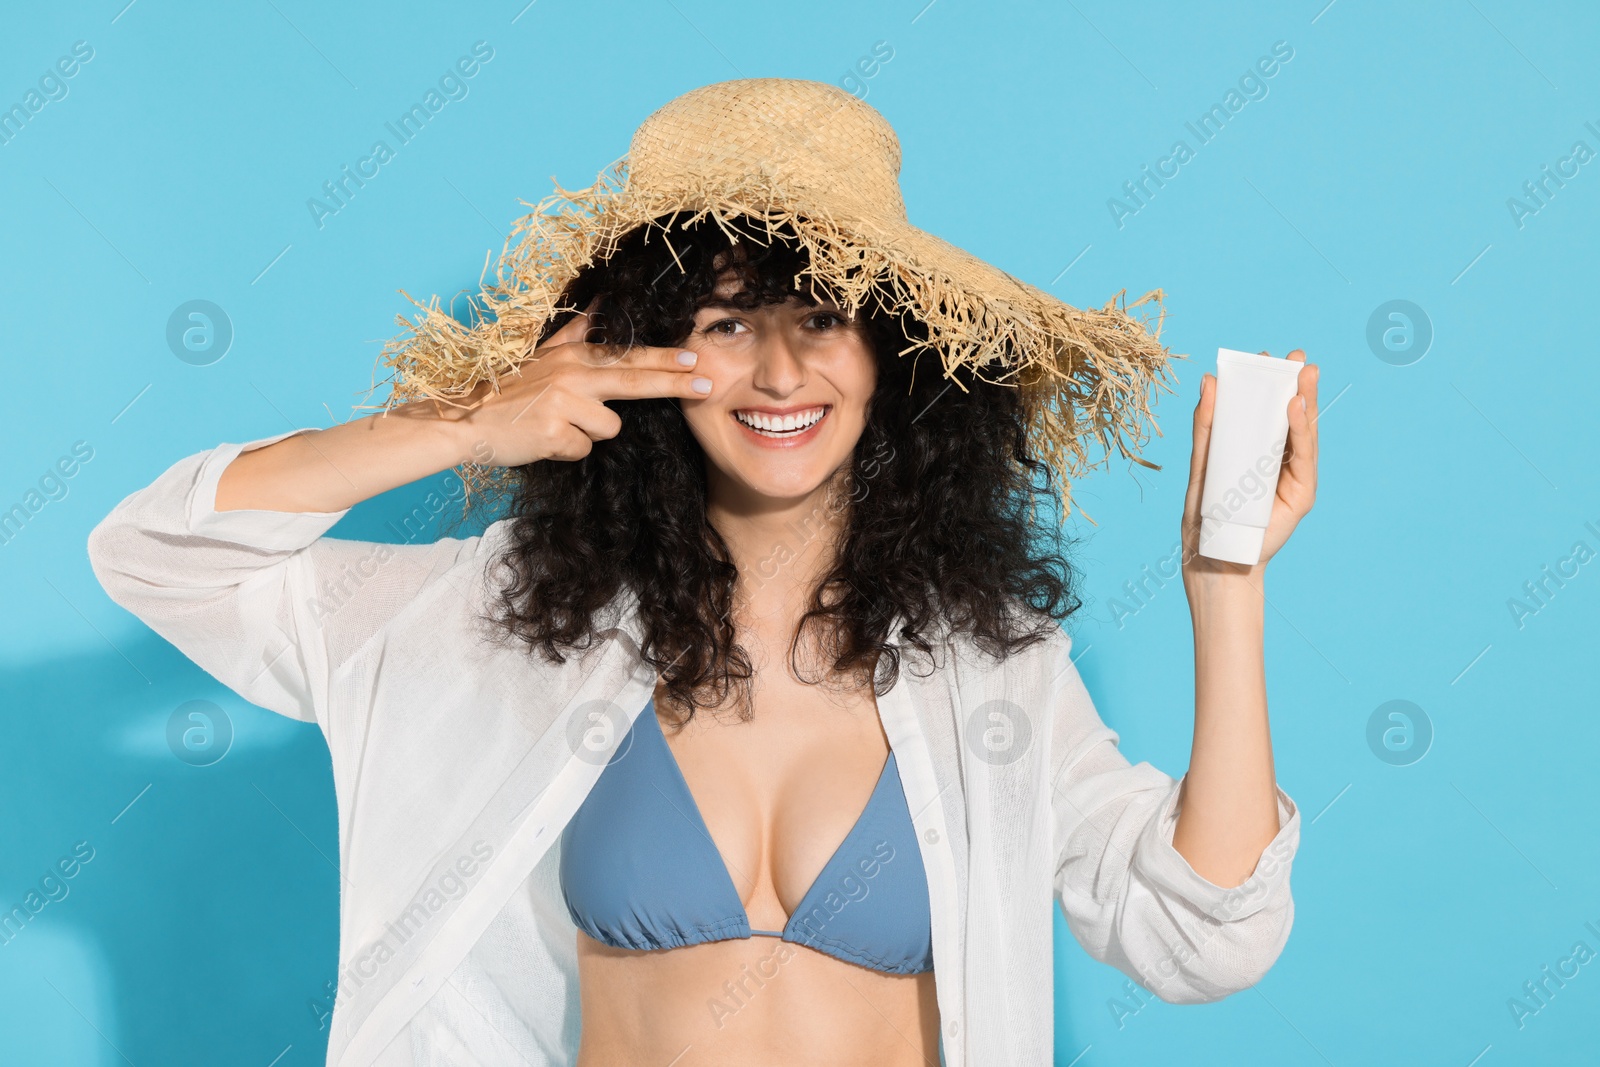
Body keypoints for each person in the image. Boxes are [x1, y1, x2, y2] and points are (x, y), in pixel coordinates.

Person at [88, 78, 1317, 1066]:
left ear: (892, 358)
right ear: (644, 354)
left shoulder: (988, 668)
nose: (780, 375)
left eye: (821, 317)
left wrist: (1225, 585)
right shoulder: (498, 627)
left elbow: (1201, 934)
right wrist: (464, 426)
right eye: (725, 323)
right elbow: (160, 553)